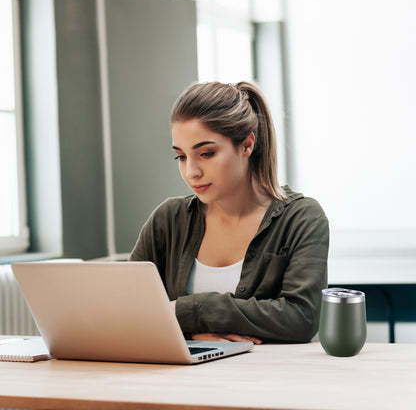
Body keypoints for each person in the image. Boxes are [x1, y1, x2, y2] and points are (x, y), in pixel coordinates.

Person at [129, 81, 329, 344]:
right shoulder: (167, 220)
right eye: (181, 156)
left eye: (207, 153)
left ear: (247, 145)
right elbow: (129, 312)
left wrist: (189, 310)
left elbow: (301, 318)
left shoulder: (302, 218)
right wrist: (196, 335)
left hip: (270, 380)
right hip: (177, 382)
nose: (192, 172)